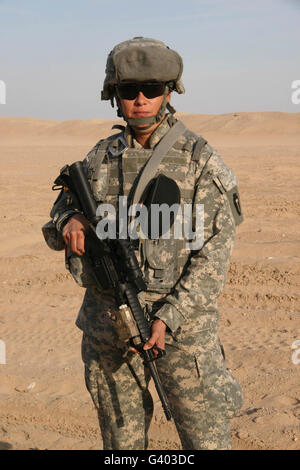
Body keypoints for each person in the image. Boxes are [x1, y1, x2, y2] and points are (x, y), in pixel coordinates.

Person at [42, 37, 243, 450]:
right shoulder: (99, 159)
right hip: (109, 324)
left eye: (151, 90)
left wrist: (169, 316)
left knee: (205, 441)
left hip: (181, 331)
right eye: (128, 91)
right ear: (113, 96)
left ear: (169, 92)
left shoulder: (199, 160)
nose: (140, 100)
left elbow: (213, 255)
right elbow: (58, 213)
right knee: (121, 445)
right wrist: (70, 219)